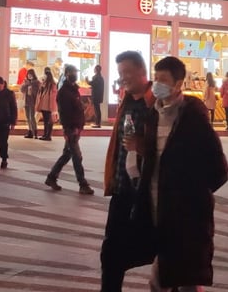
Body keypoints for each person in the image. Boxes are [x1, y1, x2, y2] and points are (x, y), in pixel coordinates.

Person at [133, 56, 228, 292]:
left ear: (178, 84)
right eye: (156, 79)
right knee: (171, 277)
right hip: (158, 210)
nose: (157, 85)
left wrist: (193, 195)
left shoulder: (193, 118)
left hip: (187, 216)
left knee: (182, 280)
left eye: (163, 80)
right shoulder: (153, 116)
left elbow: (219, 169)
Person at [99, 51, 154, 292]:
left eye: (127, 73)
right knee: (110, 253)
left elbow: (172, 144)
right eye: (120, 74)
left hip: (148, 194)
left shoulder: (157, 103)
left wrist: (141, 146)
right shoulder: (126, 101)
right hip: (123, 189)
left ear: (142, 72)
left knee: (158, 251)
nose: (123, 79)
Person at [44, 64, 94, 195]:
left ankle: (51, 177)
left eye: (76, 72)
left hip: (76, 127)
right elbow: (64, 113)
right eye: (72, 72)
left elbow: (76, 109)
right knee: (77, 156)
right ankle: (82, 184)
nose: (75, 75)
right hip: (71, 129)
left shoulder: (73, 90)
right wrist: (68, 129)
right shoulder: (64, 92)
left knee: (67, 154)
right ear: (66, 74)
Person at [36, 66, 58, 141]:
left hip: (47, 106)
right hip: (47, 106)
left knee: (47, 121)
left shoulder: (51, 85)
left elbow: (51, 97)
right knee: (47, 121)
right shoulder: (48, 84)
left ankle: (47, 135)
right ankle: (46, 135)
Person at [20, 68, 40, 138]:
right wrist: (26, 84)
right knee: (28, 117)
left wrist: (31, 85)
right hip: (26, 102)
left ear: (33, 75)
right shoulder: (26, 82)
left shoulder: (36, 82)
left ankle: (35, 132)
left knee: (32, 117)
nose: (29, 76)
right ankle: (30, 131)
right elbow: (22, 90)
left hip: (33, 102)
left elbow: (37, 92)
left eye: (30, 74)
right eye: (28, 74)